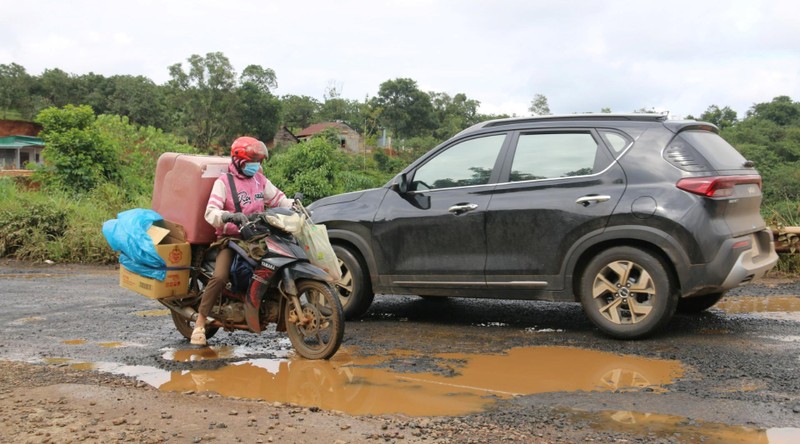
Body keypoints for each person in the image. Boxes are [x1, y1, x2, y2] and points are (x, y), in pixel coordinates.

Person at [191, 136, 294, 346]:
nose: (256, 165)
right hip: (232, 239)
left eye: (258, 161)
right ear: (238, 161)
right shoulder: (224, 182)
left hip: (257, 236)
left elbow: (278, 199)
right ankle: (200, 324)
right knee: (220, 277)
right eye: (252, 161)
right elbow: (210, 213)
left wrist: (295, 204)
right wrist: (229, 217)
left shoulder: (259, 179)